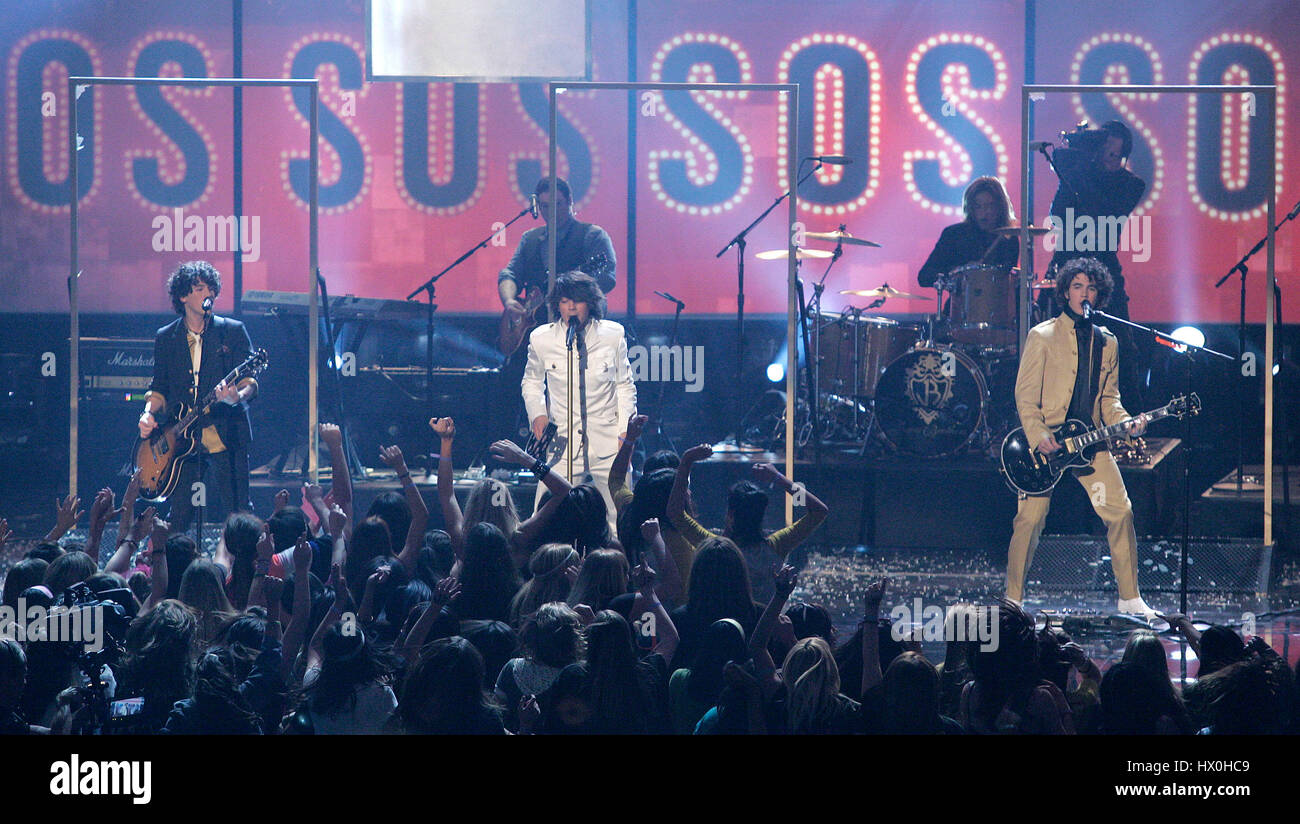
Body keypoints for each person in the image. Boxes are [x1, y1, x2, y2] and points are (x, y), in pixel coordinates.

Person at [1006, 257, 1158, 622]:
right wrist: (1039, 435)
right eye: (1077, 286)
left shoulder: (1109, 341)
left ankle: (1130, 598)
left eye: (1090, 287)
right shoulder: (1041, 336)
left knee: (1120, 512)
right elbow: (1025, 397)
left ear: (1099, 295)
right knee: (1030, 519)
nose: (1084, 293)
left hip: (1090, 444)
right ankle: (1012, 599)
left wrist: (1126, 423)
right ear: (1064, 292)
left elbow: (1109, 400)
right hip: (1047, 446)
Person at [138, 261, 258, 532]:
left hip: (226, 434)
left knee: (238, 512)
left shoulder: (232, 331)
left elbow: (250, 382)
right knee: (180, 514)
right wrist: (147, 413)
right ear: (183, 296)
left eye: (212, 288)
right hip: (182, 440)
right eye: (200, 288)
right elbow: (159, 386)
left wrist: (235, 396)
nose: (209, 294)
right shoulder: (166, 337)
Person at [522, 270, 636, 534]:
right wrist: (538, 414)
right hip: (561, 444)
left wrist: (624, 432)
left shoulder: (612, 335)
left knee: (617, 518)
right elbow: (531, 381)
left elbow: (625, 385)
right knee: (544, 515)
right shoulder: (542, 338)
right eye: (564, 301)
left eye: (577, 300)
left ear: (590, 303)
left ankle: (620, 569)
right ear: (557, 305)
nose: (571, 307)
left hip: (608, 442)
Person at [1044, 120, 1147, 406]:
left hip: (1104, 270)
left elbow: (1103, 208)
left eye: (1114, 155)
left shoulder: (1131, 184)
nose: (1106, 160)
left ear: (1125, 157)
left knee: (1123, 345)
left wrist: (1079, 163)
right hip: (1066, 264)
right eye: (1103, 152)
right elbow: (1057, 213)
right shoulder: (1077, 174)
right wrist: (1079, 161)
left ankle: (1131, 417)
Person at [498, 176, 617, 355]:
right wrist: (509, 301)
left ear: (570, 201)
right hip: (532, 337)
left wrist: (578, 288)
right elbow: (509, 274)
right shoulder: (529, 239)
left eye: (557, 204)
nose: (551, 211)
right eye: (545, 206)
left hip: (576, 334)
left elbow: (608, 278)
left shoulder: (593, 235)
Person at [917, 175, 1020, 300]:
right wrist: (960, 272)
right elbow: (924, 277)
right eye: (978, 206)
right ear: (970, 208)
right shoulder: (954, 234)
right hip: (959, 308)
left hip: (997, 307)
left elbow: (1007, 279)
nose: (984, 212)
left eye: (990, 206)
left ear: (1000, 208)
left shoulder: (1008, 238)